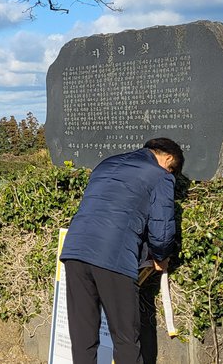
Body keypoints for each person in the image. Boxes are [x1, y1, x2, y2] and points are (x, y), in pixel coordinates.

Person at [59, 137, 184, 364]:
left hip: (75, 250)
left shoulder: (106, 164)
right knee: (126, 338)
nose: (171, 174)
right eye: (172, 169)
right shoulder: (160, 176)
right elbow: (162, 226)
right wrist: (160, 255)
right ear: (168, 158)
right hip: (113, 255)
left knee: (82, 336)